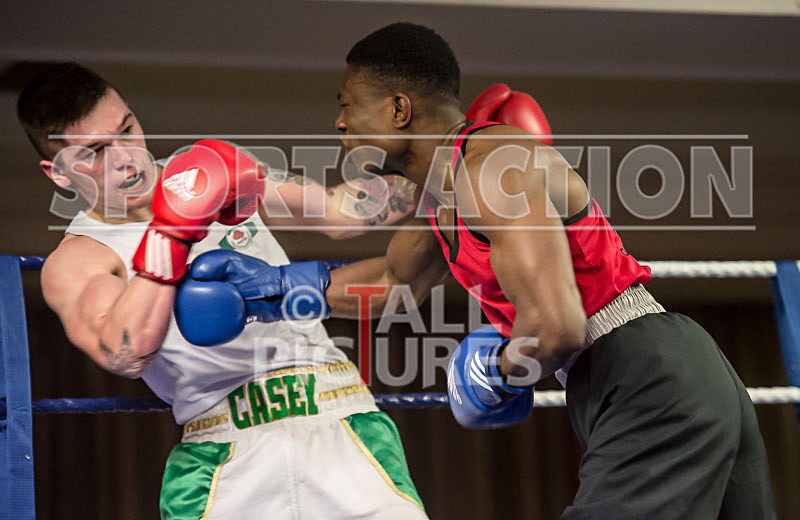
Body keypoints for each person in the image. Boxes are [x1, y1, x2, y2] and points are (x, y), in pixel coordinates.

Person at [184, 23, 776, 519]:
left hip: (644, 371)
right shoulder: (445, 198)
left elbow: (558, 327)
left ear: (398, 109)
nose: (339, 123)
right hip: (645, 378)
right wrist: (275, 290)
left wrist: (496, 370)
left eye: (346, 103)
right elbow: (392, 282)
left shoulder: (491, 168)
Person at [17, 63, 427, 519]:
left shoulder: (210, 168)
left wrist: (446, 168)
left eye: (127, 130)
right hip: (223, 454)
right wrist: (171, 235)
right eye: (95, 152)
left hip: (338, 419)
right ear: (58, 173)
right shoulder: (76, 262)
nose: (125, 159)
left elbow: (339, 212)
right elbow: (124, 354)